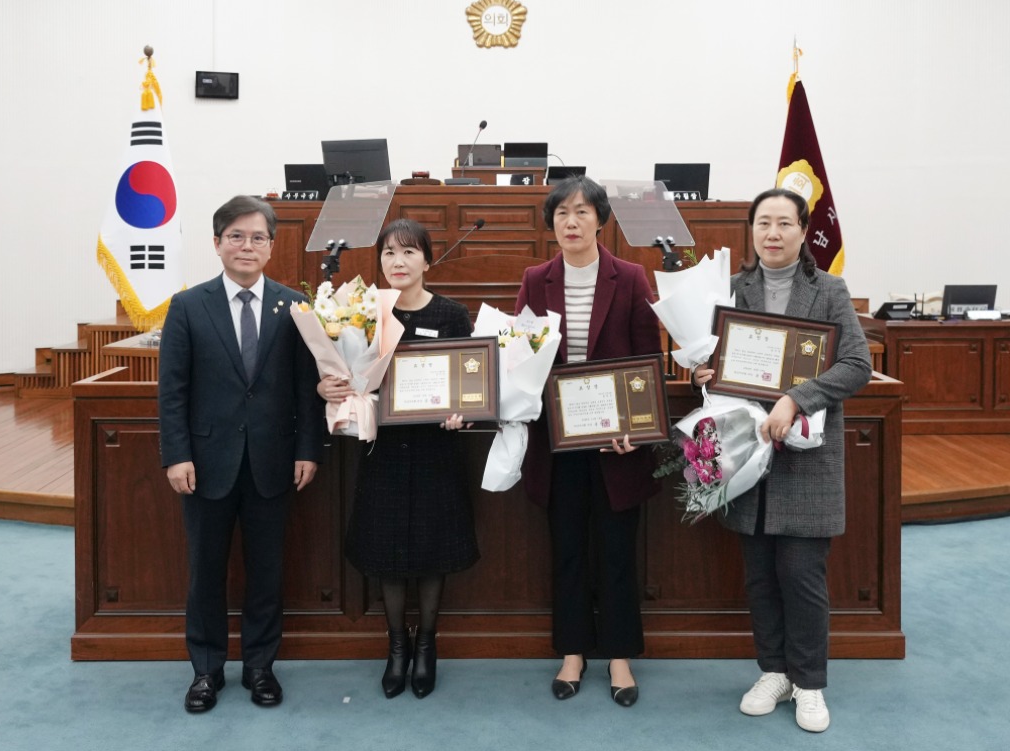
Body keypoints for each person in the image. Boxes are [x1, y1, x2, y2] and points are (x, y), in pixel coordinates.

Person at [693, 188, 872, 733]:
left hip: (805, 456)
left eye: (783, 224)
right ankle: (773, 671)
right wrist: (705, 373)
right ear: (751, 231)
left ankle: (810, 682)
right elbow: (708, 357)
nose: (772, 233)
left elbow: (858, 365)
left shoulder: (830, 291)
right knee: (760, 576)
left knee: (801, 575)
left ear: (802, 231)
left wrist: (798, 397)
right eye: (762, 223)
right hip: (747, 455)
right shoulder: (730, 290)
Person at [158, 195, 323, 713]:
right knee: (205, 570)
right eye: (236, 236)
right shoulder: (188, 305)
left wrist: (308, 450)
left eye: (257, 237)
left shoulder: (294, 305)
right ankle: (206, 671)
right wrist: (176, 455)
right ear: (216, 244)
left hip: (274, 462)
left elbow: (306, 387)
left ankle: (259, 667)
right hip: (205, 464)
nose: (246, 246)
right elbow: (173, 391)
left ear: (271, 247)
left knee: (266, 571)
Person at [514, 176, 662, 708]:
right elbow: (523, 359)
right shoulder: (535, 279)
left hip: (617, 441)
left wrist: (636, 429)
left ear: (601, 219)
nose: (571, 223)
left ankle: (620, 655)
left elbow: (649, 361)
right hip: (558, 441)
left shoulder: (631, 277)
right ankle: (573, 651)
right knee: (569, 548)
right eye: (561, 215)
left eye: (581, 213)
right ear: (551, 224)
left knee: (618, 550)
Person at [318, 218, 479, 699]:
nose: (398, 262)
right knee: (386, 554)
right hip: (383, 449)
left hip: (436, 452)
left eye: (409, 252)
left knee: (433, 553)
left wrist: (462, 414)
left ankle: (426, 645)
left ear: (427, 260)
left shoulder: (451, 314)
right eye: (389, 253)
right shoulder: (364, 314)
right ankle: (396, 647)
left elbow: (470, 384)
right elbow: (344, 373)